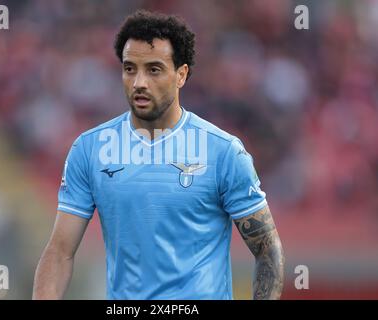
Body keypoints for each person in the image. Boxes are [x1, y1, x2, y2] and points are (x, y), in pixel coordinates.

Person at [33, 10, 284, 300]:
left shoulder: (223, 152)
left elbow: (267, 249)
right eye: (130, 69)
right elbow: (60, 251)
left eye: (153, 69)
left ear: (181, 75)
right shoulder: (90, 150)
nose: (139, 82)